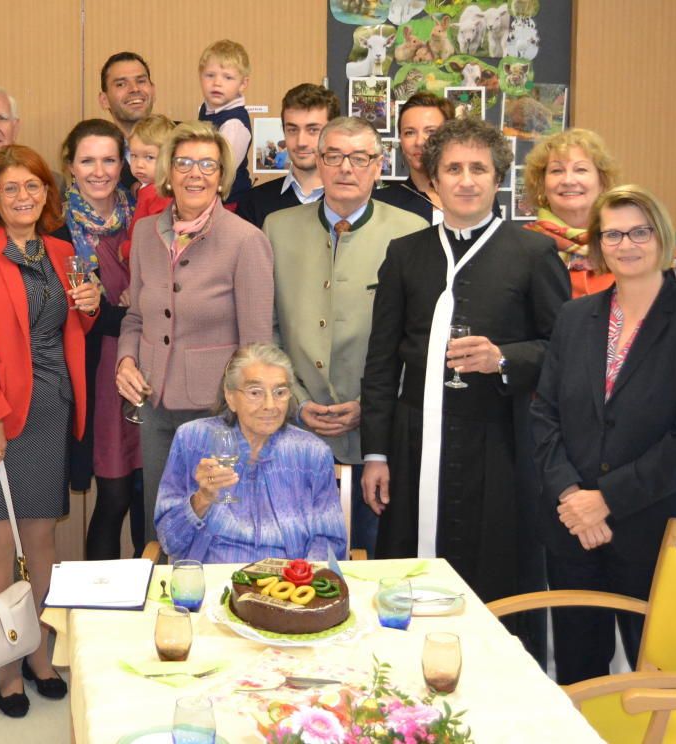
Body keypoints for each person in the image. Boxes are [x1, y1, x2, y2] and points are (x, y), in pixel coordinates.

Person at [360, 117, 570, 606]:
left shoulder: (534, 253)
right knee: (408, 573)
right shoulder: (406, 253)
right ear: (433, 179)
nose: (467, 179)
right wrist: (376, 453)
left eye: (479, 168)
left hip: (500, 443)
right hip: (413, 442)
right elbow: (380, 362)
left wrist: (504, 359)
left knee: (495, 573)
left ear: (498, 179)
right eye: (453, 168)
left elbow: (564, 351)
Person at [530, 185, 676, 684]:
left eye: (639, 231)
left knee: (660, 680)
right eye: (613, 233)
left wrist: (606, 500)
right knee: (578, 674)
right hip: (572, 526)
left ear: (660, 235)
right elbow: (544, 415)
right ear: (598, 243)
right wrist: (574, 496)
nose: (627, 244)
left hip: (656, 528)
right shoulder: (574, 318)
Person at [0, 144, 99, 717]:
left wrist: (90, 303)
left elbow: (75, 324)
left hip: (51, 404)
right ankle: (5, 666)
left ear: (46, 193)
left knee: (42, 538)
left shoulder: (63, 250)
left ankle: (36, 651)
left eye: (32, 186)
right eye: (10, 188)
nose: (23, 197)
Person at [264, 116, 427, 558]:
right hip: (294, 427)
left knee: (373, 566)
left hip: (378, 436)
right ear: (317, 162)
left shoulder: (413, 232)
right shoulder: (277, 228)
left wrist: (371, 405)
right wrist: (294, 401)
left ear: (379, 165)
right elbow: (270, 328)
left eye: (360, 158)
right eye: (333, 156)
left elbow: (418, 343)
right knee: (294, 565)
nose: (345, 168)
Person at [117, 121, 275, 545]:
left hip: (216, 416)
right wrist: (126, 361)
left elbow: (257, 346)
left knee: (215, 530)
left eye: (208, 164)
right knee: (162, 526)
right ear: (168, 172)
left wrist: (249, 422)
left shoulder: (246, 240)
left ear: (222, 177)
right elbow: (135, 317)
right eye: (184, 162)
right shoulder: (147, 233)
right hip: (154, 407)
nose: (195, 173)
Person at [155, 344, 345, 563]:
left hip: (287, 582)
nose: (270, 405)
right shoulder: (192, 440)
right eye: (255, 392)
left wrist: (300, 582)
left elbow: (330, 541)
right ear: (230, 396)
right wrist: (202, 499)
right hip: (212, 580)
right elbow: (169, 541)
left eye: (280, 392)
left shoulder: (312, 453)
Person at [52, 120, 140, 561]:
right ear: (70, 166)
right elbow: (74, 315)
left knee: (152, 497)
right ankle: (98, 609)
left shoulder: (148, 216)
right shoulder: (54, 230)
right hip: (97, 375)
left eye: (109, 159)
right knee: (114, 496)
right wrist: (124, 313)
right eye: (88, 160)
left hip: (152, 368)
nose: (100, 171)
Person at [523, 128, 622, 298]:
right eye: (557, 171)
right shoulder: (521, 247)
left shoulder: (625, 243)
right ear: (541, 184)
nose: (568, 180)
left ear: (602, 182)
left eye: (580, 170)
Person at [237, 84, 339, 229]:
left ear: (333, 132)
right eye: (292, 130)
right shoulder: (253, 203)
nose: (301, 142)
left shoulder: (351, 200)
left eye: (313, 130)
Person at [376, 93, 463, 224]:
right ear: (401, 140)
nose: (419, 142)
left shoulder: (474, 195)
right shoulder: (381, 204)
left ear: (449, 137)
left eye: (430, 131)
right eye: (409, 132)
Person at [195, 39, 253, 205]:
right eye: (210, 75)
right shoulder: (205, 110)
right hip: (209, 197)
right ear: (200, 77)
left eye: (228, 77)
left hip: (230, 202)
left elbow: (222, 172)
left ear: (243, 84)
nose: (217, 83)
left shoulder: (234, 124)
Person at [97, 51, 156, 190]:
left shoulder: (182, 140)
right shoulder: (95, 155)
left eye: (141, 81)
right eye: (121, 84)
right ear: (104, 100)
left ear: (153, 91)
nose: (135, 89)